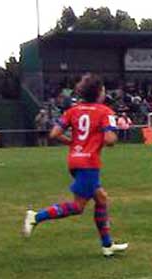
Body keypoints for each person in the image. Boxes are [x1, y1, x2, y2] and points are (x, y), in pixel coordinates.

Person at [23, 73, 129, 256]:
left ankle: (107, 245)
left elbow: (54, 134)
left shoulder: (73, 110)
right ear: (100, 92)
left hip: (74, 160)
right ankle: (36, 216)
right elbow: (110, 140)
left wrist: (73, 143)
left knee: (101, 198)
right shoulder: (105, 112)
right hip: (89, 163)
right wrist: (115, 129)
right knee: (78, 207)